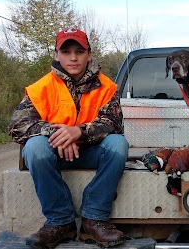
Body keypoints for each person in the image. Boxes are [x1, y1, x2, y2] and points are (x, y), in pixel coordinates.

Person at [8, 28, 129, 248]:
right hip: (55, 153)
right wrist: (60, 135)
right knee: (34, 148)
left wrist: (79, 132)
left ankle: (93, 219)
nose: (73, 57)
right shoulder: (41, 87)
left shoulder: (107, 87)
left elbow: (114, 123)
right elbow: (17, 126)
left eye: (79, 51)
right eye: (66, 51)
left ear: (89, 54)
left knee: (118, 144)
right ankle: (60, 222)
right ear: (57, 55)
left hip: (91, 152)